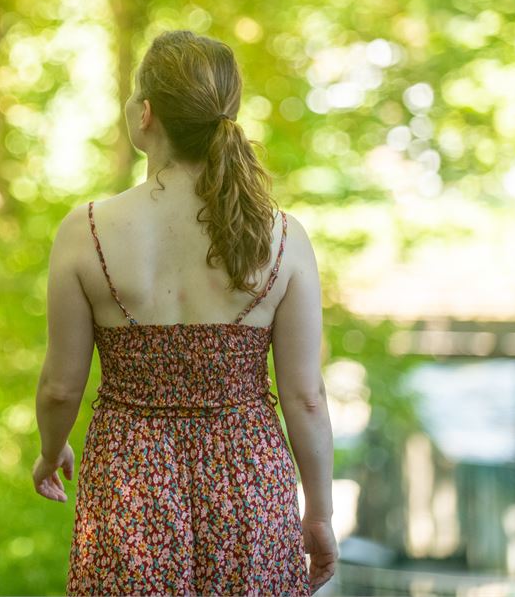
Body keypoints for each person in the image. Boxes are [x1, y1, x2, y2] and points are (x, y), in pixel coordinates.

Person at [32, 29, 338, 595]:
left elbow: (59, 388)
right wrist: (318, 513)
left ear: (146, 113)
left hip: (129, 487)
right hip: (250, 485)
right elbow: (306, 397)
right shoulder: (282, 236)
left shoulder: (86, 231)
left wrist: (52, 453)